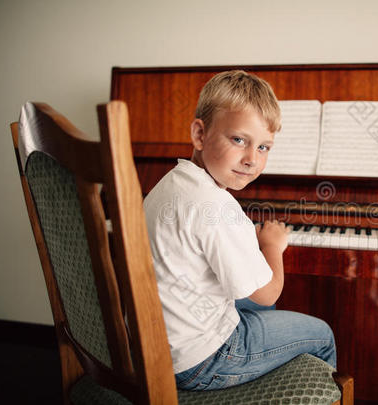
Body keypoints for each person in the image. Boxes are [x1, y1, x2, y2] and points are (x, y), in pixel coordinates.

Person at [143, 70, 336, 391]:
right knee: (322, 333)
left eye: (264, 147)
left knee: (261, 309)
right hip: (201, 360)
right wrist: (271, 245)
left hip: (158, 341)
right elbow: (269, 291)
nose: (251, 160)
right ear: (199, 134)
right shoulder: (217, 206)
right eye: (238, 140)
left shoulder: (172, 181)